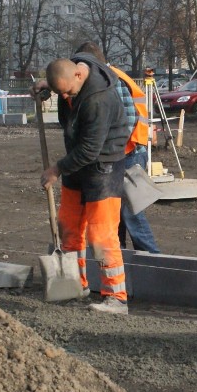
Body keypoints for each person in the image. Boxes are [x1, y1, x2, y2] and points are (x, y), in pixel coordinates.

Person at [33, 55, 131, 314]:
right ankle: (76, 284)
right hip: (77, 162)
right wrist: (49, 86)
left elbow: (90, 149)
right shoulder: (74, 71)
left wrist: (57, 169)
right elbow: (63, 77)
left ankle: (116, 296)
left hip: (103, 165)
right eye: (62, 95)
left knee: (101, 235)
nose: (68, 98)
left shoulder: (99, 99)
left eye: (69, 93)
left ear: (79, 76)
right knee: (69, 226)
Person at [74, 43, 160, 253]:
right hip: (128, 148)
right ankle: (117, 253)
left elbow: (128, 119)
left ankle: (153, 257)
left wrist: (111, 152)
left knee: (131, 211)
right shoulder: (109, 76)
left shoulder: (110, 79)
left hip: (128, 150)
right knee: (115, 210)